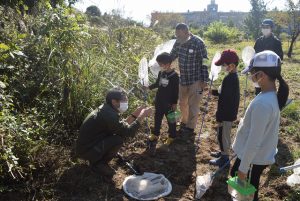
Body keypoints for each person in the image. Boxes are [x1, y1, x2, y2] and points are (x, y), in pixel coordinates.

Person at [230, 50, 289, 201]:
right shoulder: (269, 96)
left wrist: (243, 169)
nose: (251, 76)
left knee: (247, 186)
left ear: (261, 75)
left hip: (253, 156)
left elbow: (254, 140)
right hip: (258, 154)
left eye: (252, 73)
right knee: (250, 184)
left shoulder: (263, 103)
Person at [76, 88, 152, 176]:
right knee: (118, 140)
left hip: (88, 145)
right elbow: (128, 132)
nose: (126, 103)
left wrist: (136, 113)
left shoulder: (107, 109)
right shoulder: (109, 115)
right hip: (86, 150)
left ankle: (98, 156)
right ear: (114, 102)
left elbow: (122, 126)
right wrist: (142, 116)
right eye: (124, 101)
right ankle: (98, 164)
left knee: (117, 136)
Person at [170, 23, 208, 134]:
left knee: (193, 104)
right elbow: (172, 55)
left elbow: (205, 60)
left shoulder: (198, 43)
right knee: (182, 103)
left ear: (186, 32)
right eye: (176, 35)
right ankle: (184, 121)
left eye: (179, 35)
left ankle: (190, 128)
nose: (178, 38)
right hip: (183, 78)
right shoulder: (178, 42)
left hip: (196, 79)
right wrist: (163, 62)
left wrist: (205, 79)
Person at [209, 49, 240, 167]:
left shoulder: (231, 79)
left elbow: (226, 99)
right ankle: (222, 152)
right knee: (221, 134)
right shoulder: (231, 77)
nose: (222, 67)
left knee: (224, 136)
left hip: (226, 114)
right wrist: (214, 92)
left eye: (223, 65)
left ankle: (225, 158)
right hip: (226, 112)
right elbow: (224, 93)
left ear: (231, 66)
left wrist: (219, 115)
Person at [146, 52, 179, 154]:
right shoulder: (161, 73)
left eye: (162, 64)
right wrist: (148, 87)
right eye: (159, 64)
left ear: (169, 63)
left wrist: (174, 103)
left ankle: (172, 136)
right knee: (157, 117)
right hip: (159, 100)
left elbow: (176, 91)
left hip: (169, 102)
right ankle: (155, 134)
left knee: (171, 119)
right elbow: (157, 83)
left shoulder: (175, 76)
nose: (160, 66)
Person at [253, 19, 283, 95]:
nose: (265, 29)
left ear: (271, 28)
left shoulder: (276, 42)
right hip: (258, 71)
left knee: (268, 92)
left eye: (267, 27)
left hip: (270, 73)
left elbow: (279, 59)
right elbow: (254, 55)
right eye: (263, 27)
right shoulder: (259, 41)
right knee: (258, 91)